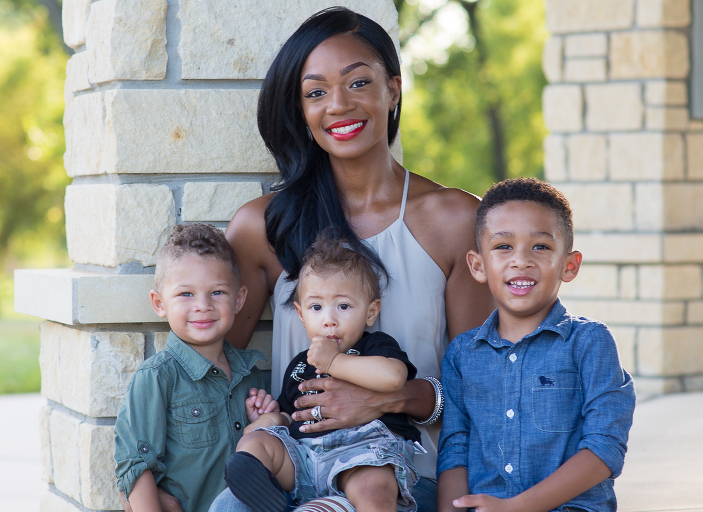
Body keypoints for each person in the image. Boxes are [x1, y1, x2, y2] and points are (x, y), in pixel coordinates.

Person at [213, 7, 495, 512]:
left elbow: (482, 390)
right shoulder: (263, 228)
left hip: (402, 477)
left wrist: (388, 399)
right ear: (300, 110)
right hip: (297, 469)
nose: (338, 105)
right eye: (316, 92)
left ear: (394, 87)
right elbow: (215, 372)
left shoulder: (454, 220)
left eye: (358, 82)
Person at [437, 178, 636, 512]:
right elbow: (455, 448)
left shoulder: (589, 343)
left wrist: (517, 506)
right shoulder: (462, 353)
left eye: (540, 247)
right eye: (503, 247)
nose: (521, 260)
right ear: (478, 265)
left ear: (569, 265)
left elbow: (605, 448)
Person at [225, 237, 425, 512]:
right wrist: (270, 419)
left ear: (371, 312)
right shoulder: (299, 365)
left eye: (343, 306)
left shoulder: (373, 345)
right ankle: (263, 491)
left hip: (363, 455)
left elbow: (393, 378)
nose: (329, 319)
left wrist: (334, 361)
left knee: (374, 489)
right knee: (254, 443)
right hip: (305, 460)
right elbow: (290, 413)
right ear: (300, 314)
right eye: (316, 307)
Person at [114, 224, 280, 512]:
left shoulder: (250, 375)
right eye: (186, 294)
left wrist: (260, 424)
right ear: (159, 303)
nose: (202, 306)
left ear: (239, 299)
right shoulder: (157, 378)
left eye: (217, 292)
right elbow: (136, 468)